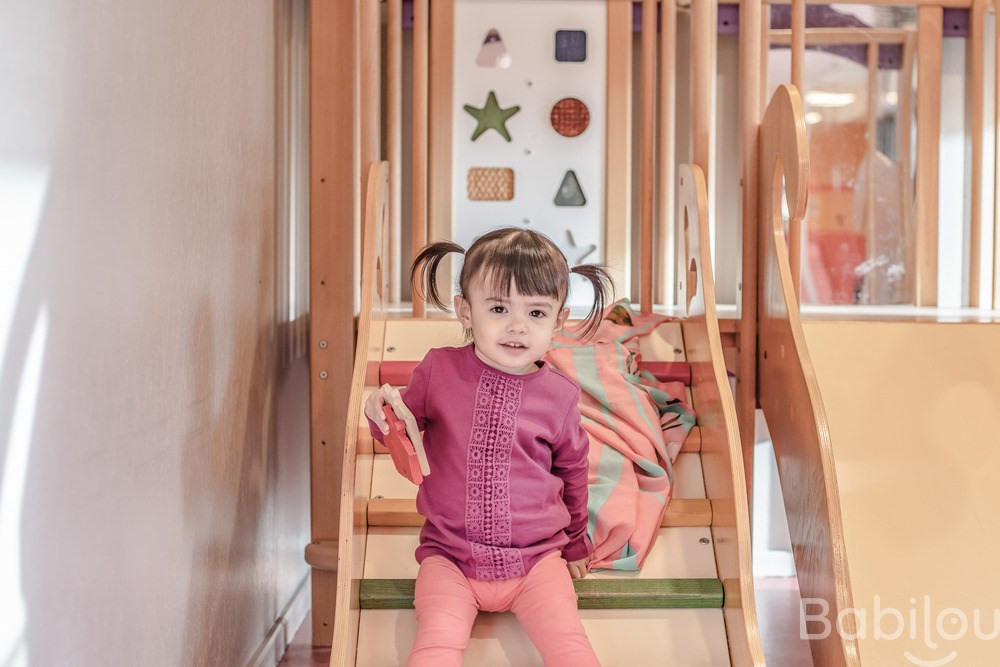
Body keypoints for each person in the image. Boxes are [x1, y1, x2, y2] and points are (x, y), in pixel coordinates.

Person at [364, 227, 613, 666]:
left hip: (537, 561)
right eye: (498, 308)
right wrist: (379, 411)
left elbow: (572, 473)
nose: (517, 326)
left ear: (559, 321)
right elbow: (397, 427)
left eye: (536, 312)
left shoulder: (560, 396)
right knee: (435, 648)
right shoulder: (438, 371)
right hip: (450, 559)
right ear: (465, 311)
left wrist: (575, 543)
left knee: (571, 649)